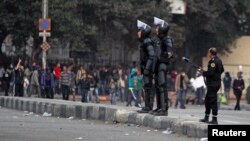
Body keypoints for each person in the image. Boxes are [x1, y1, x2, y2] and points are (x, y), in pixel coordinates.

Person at [151, 17, 174, 116]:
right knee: (157, 86)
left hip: (162, 65)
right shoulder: (159, 40)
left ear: (162, 28)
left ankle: (164, 109)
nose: (156, 29)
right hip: (158, 66)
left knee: (162, 86)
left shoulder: (167, 39)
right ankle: (159, 107)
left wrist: (167, 55)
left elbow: (170, 51)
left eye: (158, 27)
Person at [199, 47, 224, 124]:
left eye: (208, 52)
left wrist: (203, 73)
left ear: (211, 53)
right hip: (215, 83)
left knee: (212, 101)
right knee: (207, 100)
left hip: (213, 84)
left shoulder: (213, 61)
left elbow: (211, 73)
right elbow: (222, 70)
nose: (207, 53)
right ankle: (206, 117)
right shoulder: (219, 60)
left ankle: (214, 119)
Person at [136, 20, 156, 113]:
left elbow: (151, 55)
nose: (138, 32)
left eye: (140, 30)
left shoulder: (147, 41)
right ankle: (147, 106)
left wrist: (147, 68)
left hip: (148, 69)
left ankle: (148, 107)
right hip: (145, 68)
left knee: (148, 87)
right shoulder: (144, 42)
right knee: (146, 87)